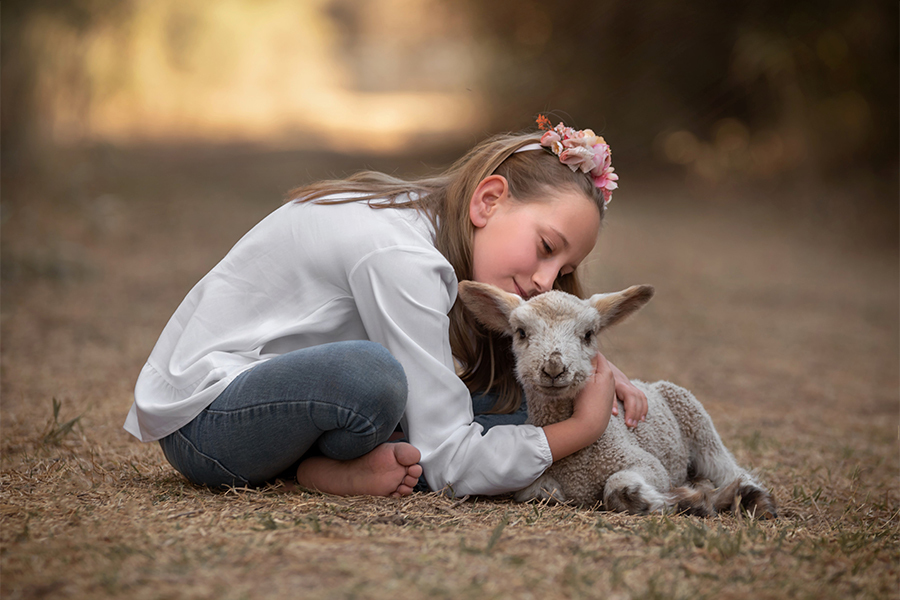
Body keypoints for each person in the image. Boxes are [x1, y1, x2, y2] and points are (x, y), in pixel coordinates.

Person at [124, 117, 648, 499]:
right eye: (546, 247)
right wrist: (581, 427)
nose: (544, 281)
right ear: (488, 200)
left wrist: (582, 363)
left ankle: (331, 462)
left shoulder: (423, 220)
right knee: (371, 375)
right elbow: (448, 460)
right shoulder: (402, 258)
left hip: (295, 397)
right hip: (210, 421)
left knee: (513, 398)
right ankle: (312, 467)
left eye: (561, 272)